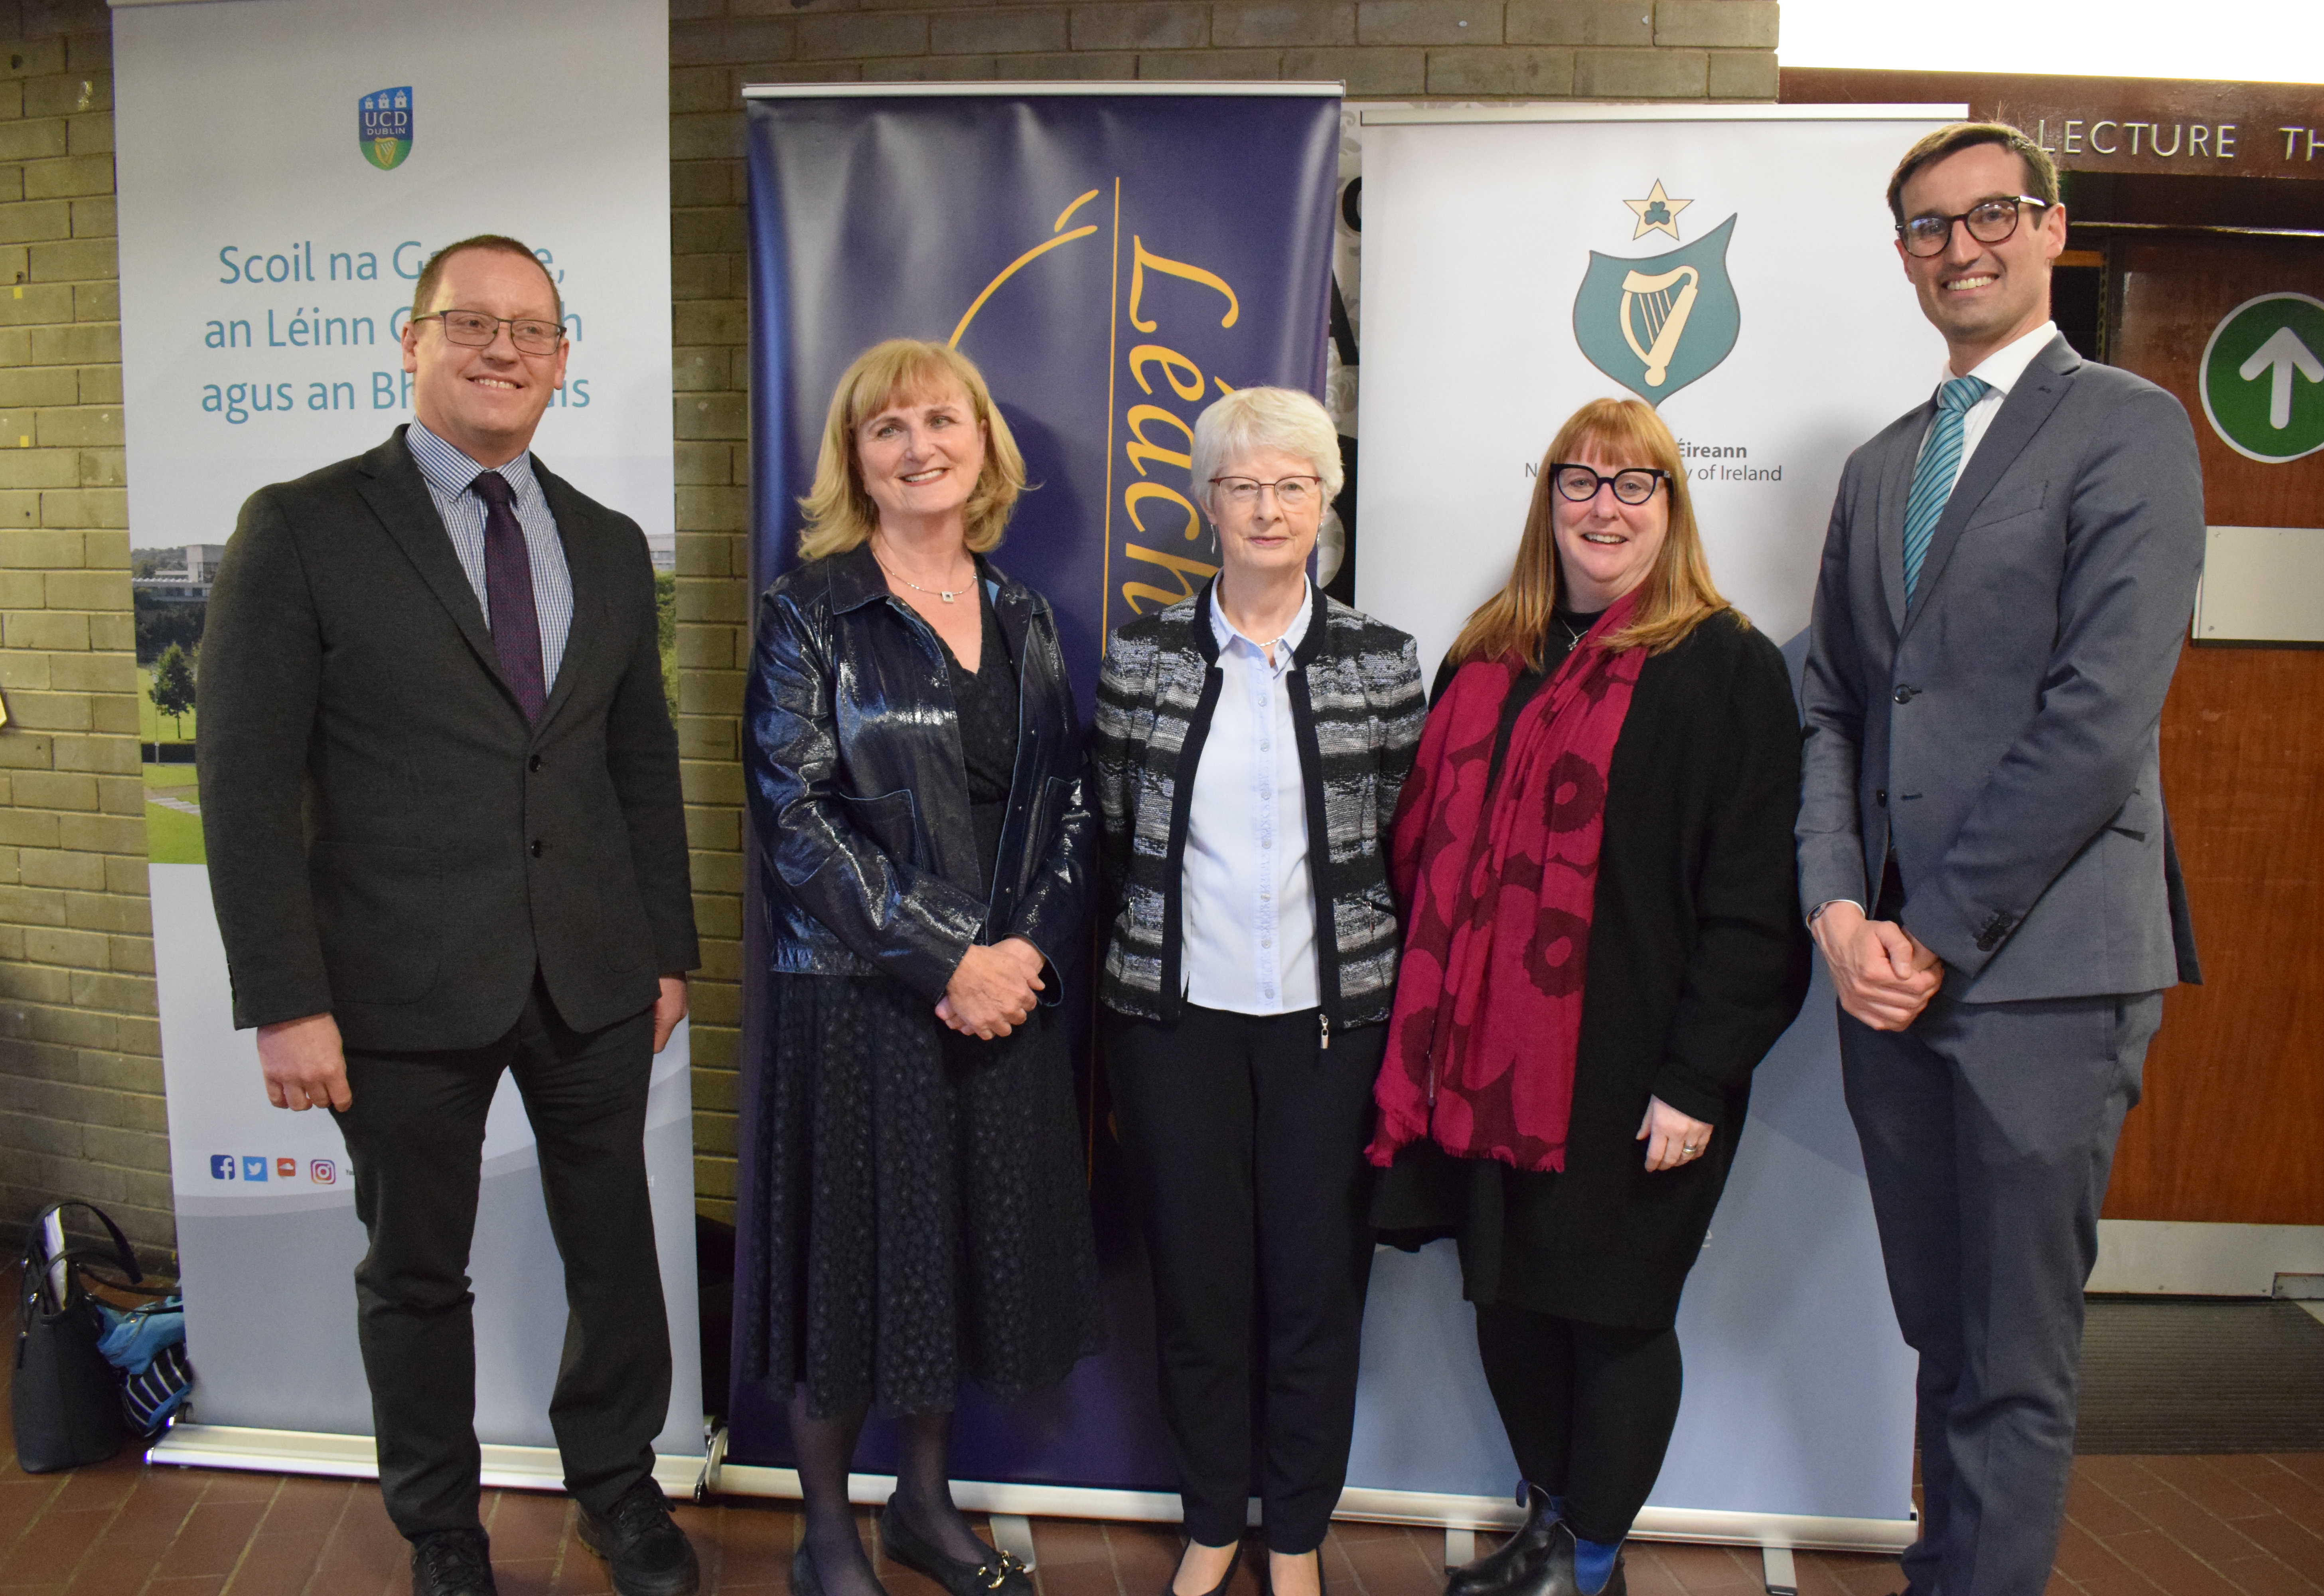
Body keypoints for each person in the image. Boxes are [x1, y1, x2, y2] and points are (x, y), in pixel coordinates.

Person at [198, 236, 702, 1596]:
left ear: (561, 361)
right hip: (393, 983)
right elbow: (243, 783)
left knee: (616, 1256)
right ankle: (442, 1531)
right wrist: (285, 1000)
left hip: (594, 974)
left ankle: (619, 1491)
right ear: (411, 340)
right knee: (417, 1275)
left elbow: (638, 764)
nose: (501, 350)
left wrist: (667, 951)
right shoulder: (301, 527)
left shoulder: (605, 542)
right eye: (471, 322)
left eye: (531, 330)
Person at [1798, 122, 2205, 1596]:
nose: (1959, 247)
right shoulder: (1881, 465)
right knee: (1942, 1336)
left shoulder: (2129, 427)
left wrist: (1933, 932)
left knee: (2016, 1359)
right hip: (1887, 976)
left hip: (2044, 975)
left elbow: (2099, 720)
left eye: (1991, 215)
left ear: (2050, 230)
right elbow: (1835, 702)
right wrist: (1840, 906)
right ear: (1904, 257)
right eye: (1928, 227)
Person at [1368, 397, 1809, 1596]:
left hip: (1635, 1071)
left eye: (1633, 485)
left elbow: (1755, 903)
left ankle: (1590, 1557)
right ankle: (1552, 1530)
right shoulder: (1487, 656)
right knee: (1511, 1304)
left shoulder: (1726, 665)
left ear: (1672, 505)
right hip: (1486, 1064)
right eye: (1581, 482)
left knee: (1615, 1316)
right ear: (1548, 500)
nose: (1604, 509)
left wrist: (1697, 1078)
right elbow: (1423, 853)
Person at [742, 339, 1104, 1596]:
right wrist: (948, 959)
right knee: (851, 1271)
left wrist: (1020, 956)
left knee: (949, 1259)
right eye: (886, 428)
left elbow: (1070, 805)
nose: (918, 447)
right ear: (855, 460)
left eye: (941, 420)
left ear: (982, 444)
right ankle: (827, 1536)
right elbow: (794, 818)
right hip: (861, 1000)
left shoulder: (1024, 615)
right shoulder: (808, 613)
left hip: (1003, 1002)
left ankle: (926, 1511)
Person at [1093, 388, 1424, 1596]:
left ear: (1327, 501)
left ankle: (1293, 1534)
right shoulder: (1140, 658)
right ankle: (1211, 1520)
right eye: (1245, 487)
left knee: (1315, 1289)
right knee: (1198, 1288)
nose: (1270, 509)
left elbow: (1405, 842)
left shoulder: (1383, 661)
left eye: (1295, 485)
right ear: (1209, 504)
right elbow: (1120, 836)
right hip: (1175, 1026)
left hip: (1332, 1032)